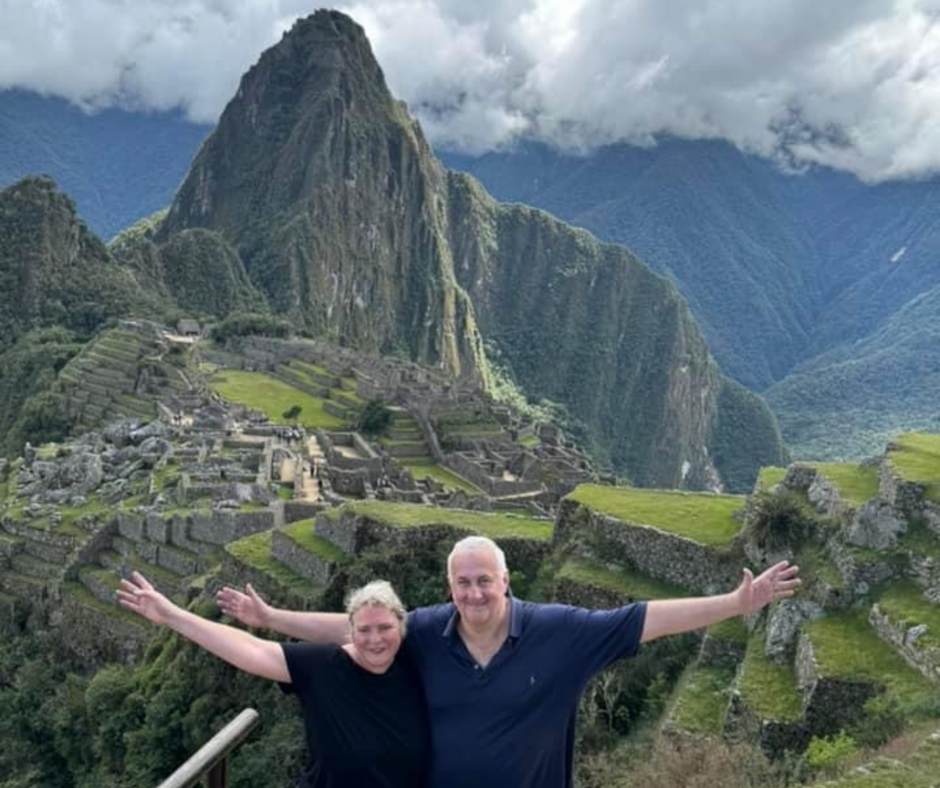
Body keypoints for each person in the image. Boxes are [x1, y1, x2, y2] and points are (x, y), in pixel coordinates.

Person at [217, 536, 800, 788]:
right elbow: (359, 631)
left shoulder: (559, 632)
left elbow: (644, 618)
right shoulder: (425, 630)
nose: (473, 594)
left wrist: (734, 603)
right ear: (449, 587)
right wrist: (275, 619)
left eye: (484, 582)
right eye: (463, 583)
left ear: (506, 581)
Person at [119, 572, 429, 788]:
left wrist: (270, 616)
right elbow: (251, 650)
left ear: (401, 628)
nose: (375, 639)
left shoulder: (420, 665)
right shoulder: (325, 666)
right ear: (350, 631)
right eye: (364, 630)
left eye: (385, 628)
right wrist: (172, 614)